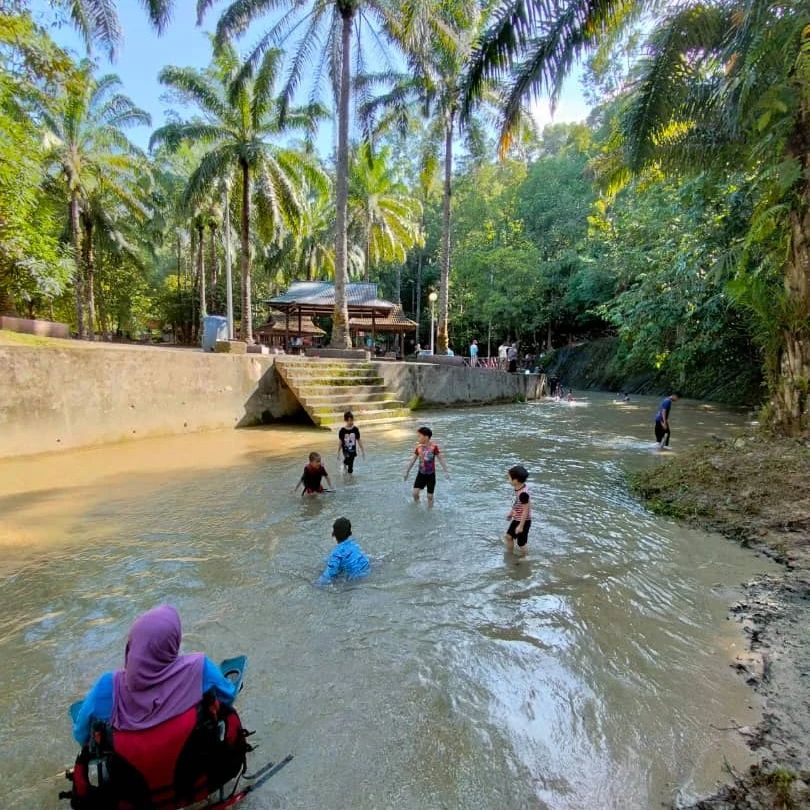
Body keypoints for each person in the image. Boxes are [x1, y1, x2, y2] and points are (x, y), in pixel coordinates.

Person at [71, 605, 237, 746]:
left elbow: (81, 736)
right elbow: (228, 696)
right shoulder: (200, 669)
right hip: (193, 769)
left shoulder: (107, 687)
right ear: (174, 641)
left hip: (131, 778)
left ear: (132, 645)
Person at [403, 425, 449, 506]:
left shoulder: (434, 447)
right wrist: (407, 471)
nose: (418, 438)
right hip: (421, 474)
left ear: (426, 437)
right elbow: (413, 460)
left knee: (430, 496)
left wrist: (446, 471)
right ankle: (417, 506)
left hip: (431, 474)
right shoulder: (418, 447)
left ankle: (430, 510)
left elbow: (440, 459)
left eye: (419, 436)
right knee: (415, 493)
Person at [317, 517, 370, 586]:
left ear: (333, 534)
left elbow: (328, 575)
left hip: (354, 582)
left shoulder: (337, 553)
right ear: (350, 533)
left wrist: (316, 584)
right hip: (367, 571)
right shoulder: (355, 545)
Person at [504, 464, 532, 556]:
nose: (508, 480)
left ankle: (526, 556)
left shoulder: (523, 494)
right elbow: (517, 502)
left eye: (509, 478)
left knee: (521, 543)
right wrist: (511, 512)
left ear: (515, 480)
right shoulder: (519, 487)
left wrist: (521, 526)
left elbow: (526, 510)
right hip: (517, 518)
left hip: (523, 521)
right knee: (508, 537)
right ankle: (510, 554)